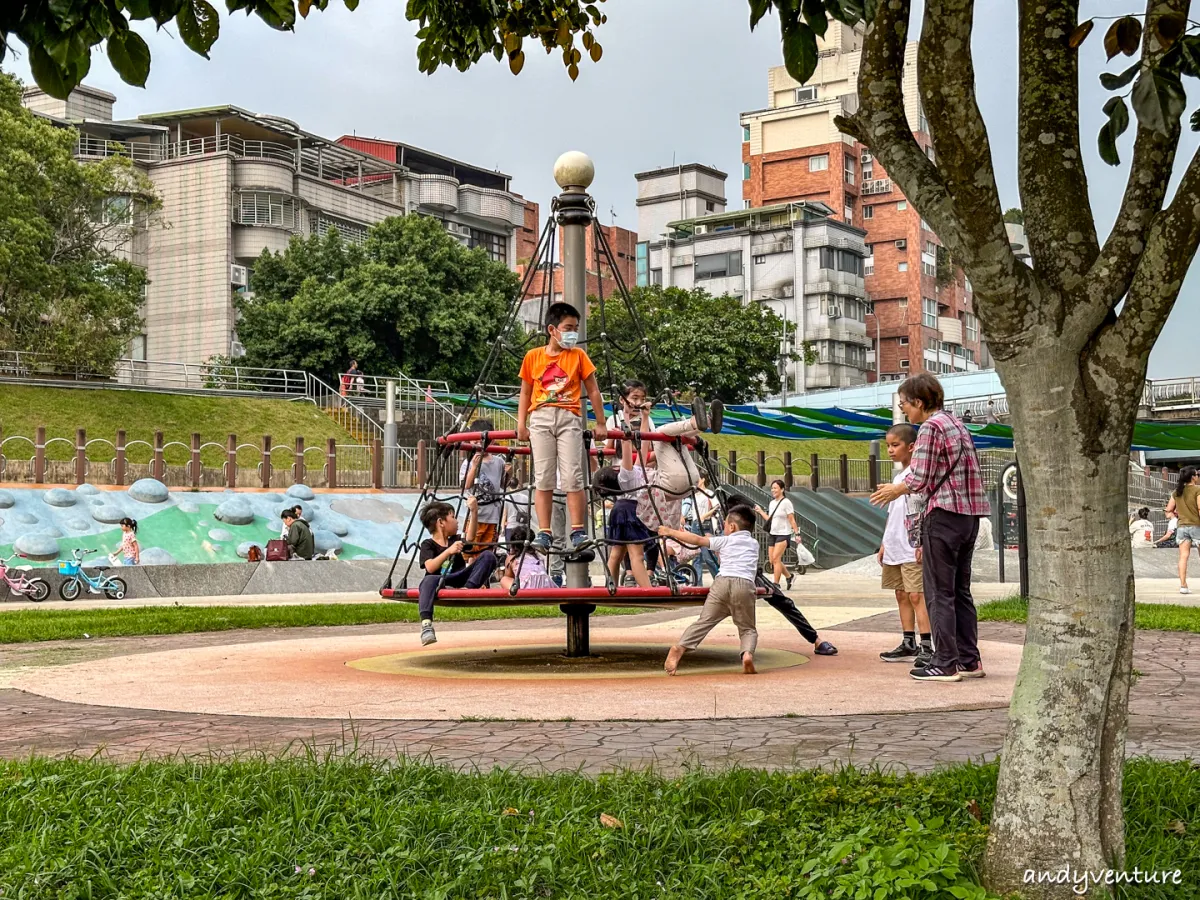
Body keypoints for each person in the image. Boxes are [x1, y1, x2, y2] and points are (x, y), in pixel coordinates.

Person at [870, 373, 990, 683]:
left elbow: (919, 478)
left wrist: (894, 489)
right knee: (961, 591)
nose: (904, 411)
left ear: (920, 402)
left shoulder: (931, 427)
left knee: (939, 592)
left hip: (944, 516)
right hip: (969, 516)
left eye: (904, 404)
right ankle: (968, 659)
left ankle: (944, 662)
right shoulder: (957, 425)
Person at [516, 302, 608, 553]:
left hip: (569, 417)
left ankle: (577, 530)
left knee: (572, 476)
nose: (572, 333)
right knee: (543, 476)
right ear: (552, 329)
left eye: (575, 328)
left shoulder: (578, 356)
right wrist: (521, 424)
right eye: (568, 327)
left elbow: (593, 390)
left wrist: (600, 422)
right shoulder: (534, 356)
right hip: (541, 418)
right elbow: (525, 392)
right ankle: (544, 532)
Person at [722, 491, 837, 656]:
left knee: (784, 603)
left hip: (750, 577)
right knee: (714, 612)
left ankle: (816, 640)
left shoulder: (745, 536)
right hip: (731, 579)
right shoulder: (725, 533)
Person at [658, 506, 760, 676]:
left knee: (704, 622)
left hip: (721, 583)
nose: (724, 528)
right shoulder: (754, 544)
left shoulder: (725, 540)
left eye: (725, 525)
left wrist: (670, 532)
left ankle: (680, 648)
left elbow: (697, 540)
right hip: (744, 584)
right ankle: (747, 655)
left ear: (732, 527)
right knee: (747, 628)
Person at [875, 424, 933, 665]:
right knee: (901, 594)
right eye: (887, 445)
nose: (890, 450)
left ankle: (927, 646)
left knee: (917, 594)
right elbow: (894, 514)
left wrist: (921, 543)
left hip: (912, 546)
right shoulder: (898, 478)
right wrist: (884, 542)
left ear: (911, 446)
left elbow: (921, 512)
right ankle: (909, 641)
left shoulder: (917, 477)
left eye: (895, 445)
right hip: (894, 545)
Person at [415, 497, 498, 646]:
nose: (457, 521)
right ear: (441, 523)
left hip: (460, 577)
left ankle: (469, 588)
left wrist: (474, 511)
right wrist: (448, 551)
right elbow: (430, 567)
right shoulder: (427, 544)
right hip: (440, 580)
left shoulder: (455, 540)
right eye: (452, 517)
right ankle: (426, 625)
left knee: (488, 556)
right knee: (428, 580)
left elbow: (471, 538)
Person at [595, 463, 653, 587]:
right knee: (637, 555)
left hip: (619, 509)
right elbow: (636, 456)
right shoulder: (626, 474)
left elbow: (639, 458)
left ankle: (611, 587)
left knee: (616, 554)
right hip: (630, 510)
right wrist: (632, 444)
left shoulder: (626, 477)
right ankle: (648, 590)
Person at [459, 418, 506, 560]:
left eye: (482, 441)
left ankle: (483, 579)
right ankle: (471, 576)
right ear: (470, 440)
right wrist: (474, 467)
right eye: (475, 440)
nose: (479, 444)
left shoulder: (499, 461)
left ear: (491, 442)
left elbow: (503, 484)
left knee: (488, 551)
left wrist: (508, 472)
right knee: (469, 550)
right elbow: (465, 485)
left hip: (493, 514)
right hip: (475, 514)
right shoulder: (468, 462)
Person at [754, 480, 797, 590]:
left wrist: (797, 533)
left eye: (775, 488)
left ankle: (776, 584)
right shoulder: (772, 503)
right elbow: (770, 519)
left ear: (782, 489)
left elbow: (791, 519)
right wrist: (760, 511)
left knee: (776, 558)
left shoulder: (786, 502)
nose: (773, 490)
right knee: (772, 560)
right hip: (773, 533)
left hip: (784, 533)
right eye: (772, 488)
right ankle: (789, 576)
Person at [1166, 466, 1200, 593]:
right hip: (1196, 526)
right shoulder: (1198, 490)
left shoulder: (1176, 492)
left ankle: (1183, 586)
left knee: (1183, 557)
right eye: (1197, 474)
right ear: (1193, 477)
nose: (1198, 476)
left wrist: (1177, 515)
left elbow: (1168, 510)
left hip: (1182, 527)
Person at [684, 474, 720, 584]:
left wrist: (704, 516)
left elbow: (717, 506)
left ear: (703, 479)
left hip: (705, 525)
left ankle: (719, 580)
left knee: (708, 556)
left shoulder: (708, 493)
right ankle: (697, 583)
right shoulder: (695, 494)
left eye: (698, 478)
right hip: (695, 524)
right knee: (695, 556)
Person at [499, 525, 555, 592]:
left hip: (527, 588)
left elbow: (509, 577)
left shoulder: (512, 559)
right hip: (546, 585)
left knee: (504, 579)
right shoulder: (538, 555)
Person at [502, 468, 537, 544]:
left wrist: (502, 528)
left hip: (511, 526)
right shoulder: (525, 497)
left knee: (511, 549)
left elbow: (504, 515)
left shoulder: (506, 498)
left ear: (509, 485)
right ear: (518, 485)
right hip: (524, 527)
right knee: (523, 549)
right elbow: (529, 511)